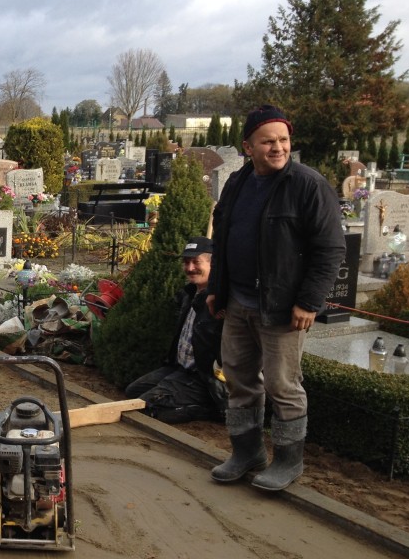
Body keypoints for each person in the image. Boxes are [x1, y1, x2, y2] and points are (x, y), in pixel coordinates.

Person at [206, 105, 345, 491]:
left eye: (283, 140)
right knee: (238, 380)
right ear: (248, 146)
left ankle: (288, 460)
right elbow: (223, 238)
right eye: (268, 141)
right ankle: (247, 452)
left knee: (283, 386)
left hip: (282, 308)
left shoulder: (308, 185)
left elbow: (330, 249)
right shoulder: (238, 182)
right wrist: (217, 287)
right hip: (238, 302)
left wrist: (310, 301)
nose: (278, 147)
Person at [125, 236, 227, 424]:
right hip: (180, 369)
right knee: (133, 393)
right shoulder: (189, 293)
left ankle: (211, 409)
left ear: (214, 264)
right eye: (186, 262)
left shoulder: (220, 302)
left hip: (203, 377)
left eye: (196, 262)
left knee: (147, 408)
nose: (190, 268)